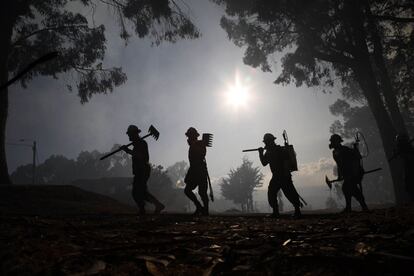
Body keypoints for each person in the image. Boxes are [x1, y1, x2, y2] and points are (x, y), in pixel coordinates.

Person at [121, 125, 165, 215]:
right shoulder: (137, 144)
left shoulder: (141, 143)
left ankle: (143, 209)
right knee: (142, 192)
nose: (129, 136)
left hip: (143, 170)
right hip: (140, 171)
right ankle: (156, 205)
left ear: (134, 134)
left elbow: (141, 156)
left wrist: (128, 150)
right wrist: (129, 149)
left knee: (136, 192)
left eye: (130, 134)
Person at [259, 133, 301, 218]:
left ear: (272, 141)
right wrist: (261, 153)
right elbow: (264, 163)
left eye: (267, 142)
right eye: (265, 142)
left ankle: (297, 212)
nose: (266, 144)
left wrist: (286, 175)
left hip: (283, 175)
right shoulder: (268, 152)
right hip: (276, 176)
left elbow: (286, 161)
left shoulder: (279, 150)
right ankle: (276, 212)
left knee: (290, 193)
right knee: (271, 193)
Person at [329, 134, 368, 212]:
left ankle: (353, 207)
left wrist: (355, 149)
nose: (332, 143)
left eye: (334, 141)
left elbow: (356, 158)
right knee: (349, 189)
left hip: (353, 173)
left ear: (338, 142)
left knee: (348, 188)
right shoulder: (335, 152)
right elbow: (339, 165)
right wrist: (340, 176)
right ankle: (357, 207)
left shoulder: (345, 150)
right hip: (347, 175)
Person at [184, 127, 209, 216]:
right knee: (187, 190)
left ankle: (205, 210)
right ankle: (199, 207)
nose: (188, 139)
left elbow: (202, 154)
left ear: (194, 136)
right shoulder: (193, 145)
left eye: (190, 136)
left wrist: (194, 144)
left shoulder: (200, 144)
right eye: (188, 136)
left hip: (200, 170)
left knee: (202, 192)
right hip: (193, 170)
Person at [393, 133, 414, 200]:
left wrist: (403, 155)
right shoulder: (403, 148)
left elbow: (411, 157)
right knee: (408, 185)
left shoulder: (409, 148)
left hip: (410, 168)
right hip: (407, 168)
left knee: (409, 184)